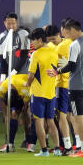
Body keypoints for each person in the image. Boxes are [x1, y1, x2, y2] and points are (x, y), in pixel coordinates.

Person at [55, 19, 83, 157]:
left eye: (67, 33)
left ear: (72, 30)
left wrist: (57, 71)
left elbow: (71, 65)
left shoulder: (75, 44)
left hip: (76, 87)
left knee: (79, 118)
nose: (66, 36)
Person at [0, 12, 30, 151]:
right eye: (8, 23)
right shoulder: (0, 38)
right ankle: (9, 142)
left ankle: (29, 140)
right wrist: (3, 78)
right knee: (9, 108)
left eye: (13, 23)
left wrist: (15, 71)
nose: (11, 26)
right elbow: (3, 60)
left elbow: (23, 56)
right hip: (10, 79)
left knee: (27, 112)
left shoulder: (23, 34)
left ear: (17, 23)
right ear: (4, 23)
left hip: (23, 76)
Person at [26, 28, 60, 157]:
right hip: (51, 92)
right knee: (50, 121)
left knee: (39, 121)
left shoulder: (36, 54)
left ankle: (44, 150)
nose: (32, 43)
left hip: (38, 93)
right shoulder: (54, 51)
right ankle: (57, 149)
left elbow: (31, 75)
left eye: (33, 40)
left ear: (40, 39)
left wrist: (27, 84)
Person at [55, 18, 74, 155]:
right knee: (73, 116)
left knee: (61, 116)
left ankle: (67, 147)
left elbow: (56, 66)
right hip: (75, 85)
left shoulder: (61, 46)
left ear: (63, 30)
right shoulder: (78, 44)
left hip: (62, 85)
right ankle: (79, 145)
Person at [0, 74, 30, 152]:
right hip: (13, 90)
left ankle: (29, 141)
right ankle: (10, 144)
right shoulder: (2, 88)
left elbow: (25, 106)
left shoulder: (25, 89)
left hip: (27, 89)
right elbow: (1, 100)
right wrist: (5, 115)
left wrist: (22, 116)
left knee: (27, 116)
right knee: (11, 116)